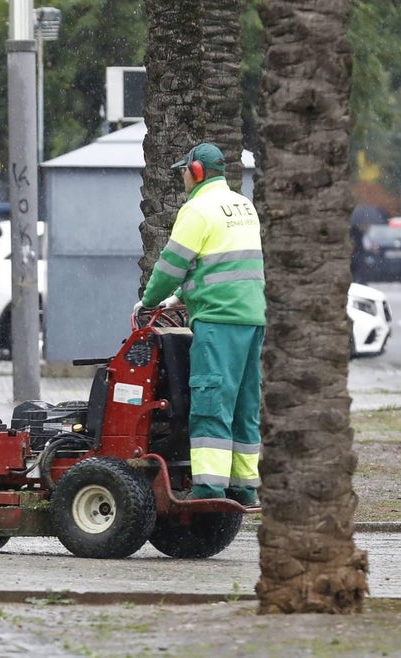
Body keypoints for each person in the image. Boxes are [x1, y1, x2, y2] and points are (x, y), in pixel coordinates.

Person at [132, 143, 266, 506]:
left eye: (183, 172)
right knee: (243, 403)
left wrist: (148, 301)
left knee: (211, 403)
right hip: (252, 319)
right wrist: (179, 297)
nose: (182, 179)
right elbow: (223, 266)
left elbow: (172, 264)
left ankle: (208, 487)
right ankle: (244, 486)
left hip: (218, 322)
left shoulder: (197, 210)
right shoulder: (243, 206)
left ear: (197, 171)